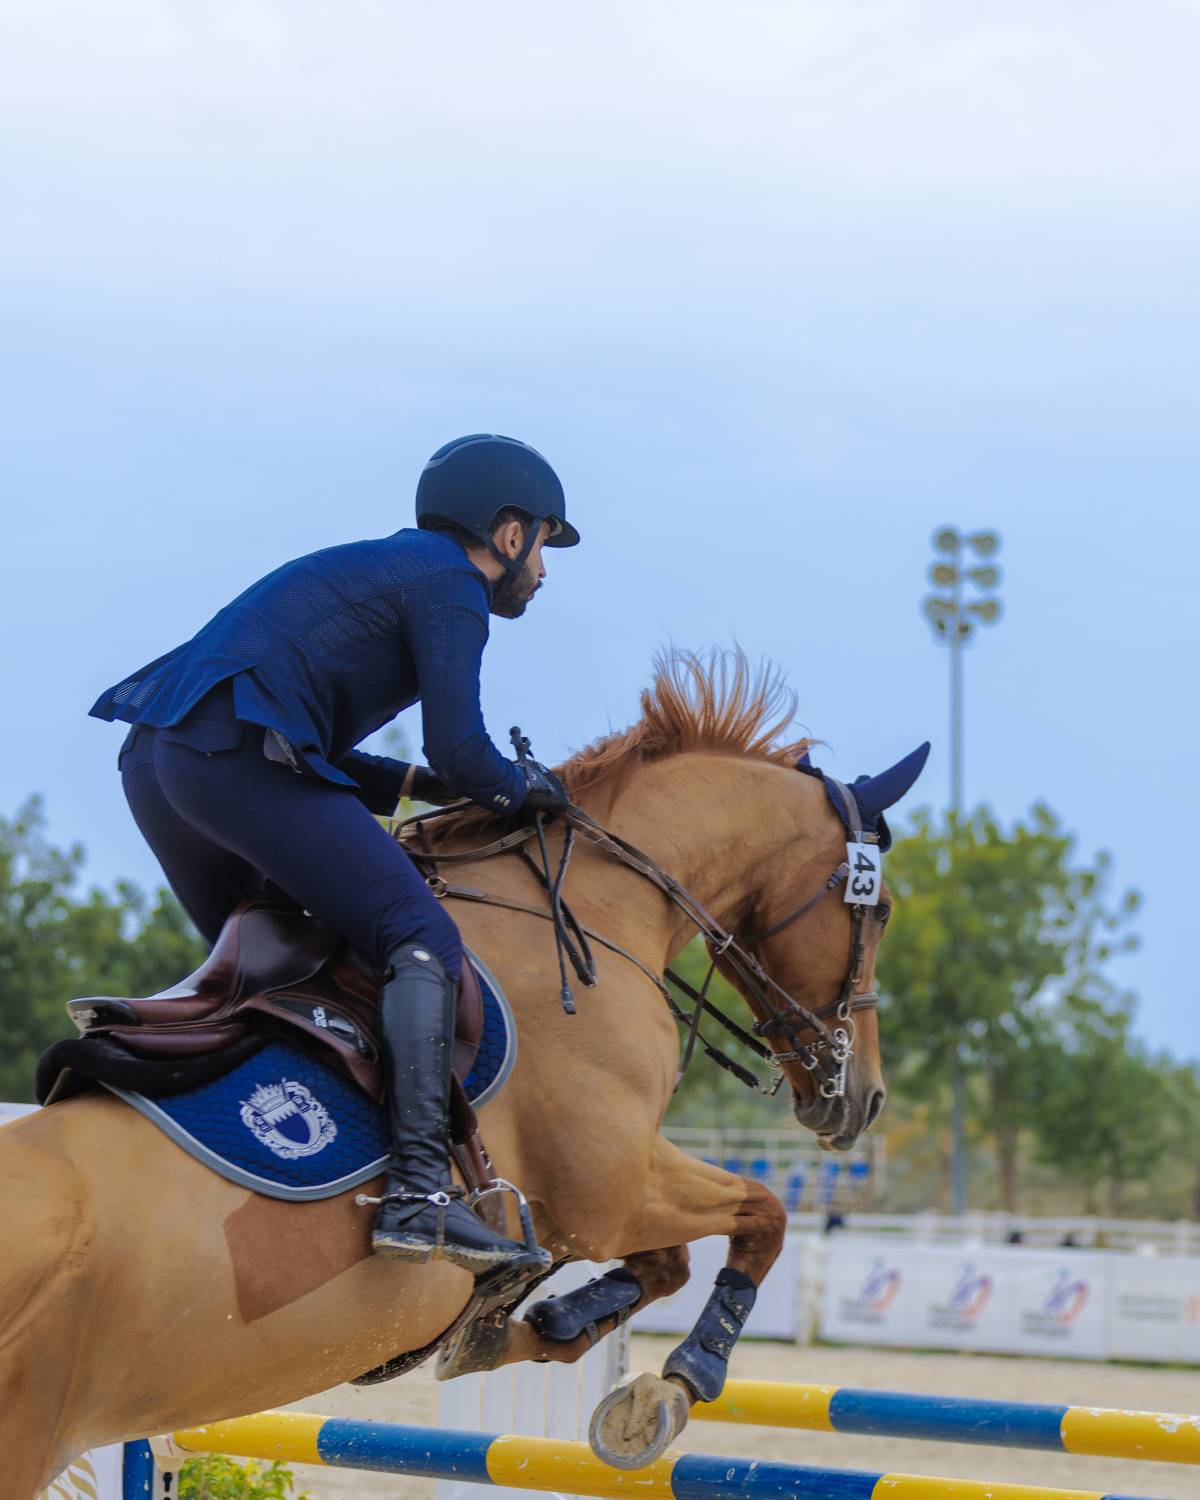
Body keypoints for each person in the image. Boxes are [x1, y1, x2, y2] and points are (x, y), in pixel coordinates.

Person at [89, 434, 577, 1278]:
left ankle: (285, 1164)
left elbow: (332, 759)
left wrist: (437, 790)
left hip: (162, 763)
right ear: (507, 535)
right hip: (232, 756)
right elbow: (465, 751)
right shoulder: (452, 584)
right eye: (543, 543)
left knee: (289, 972)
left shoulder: (387, 569)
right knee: (418, 937)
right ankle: (420, 1194)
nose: (544, 569)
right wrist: (522, 789)